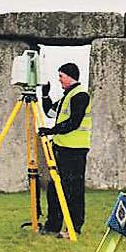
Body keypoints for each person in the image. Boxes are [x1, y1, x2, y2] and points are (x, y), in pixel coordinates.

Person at [38, 62, 92, 238]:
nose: (59, 80)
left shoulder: (80, 95)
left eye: (61, 76)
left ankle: (74, 228)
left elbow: (73, 123)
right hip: (61, 148)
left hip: (75, 150)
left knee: (74, 191)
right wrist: (45, 94)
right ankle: (53, 225)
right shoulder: (66, 97)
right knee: (55, 188)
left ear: (69, 76)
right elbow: (50, 113)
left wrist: (50, 131)